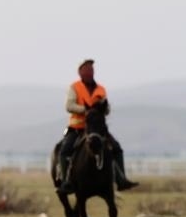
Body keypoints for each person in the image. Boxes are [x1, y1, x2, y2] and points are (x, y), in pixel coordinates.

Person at [57, 59, 139, 194]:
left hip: (97, 130)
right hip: (78, 129)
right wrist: (85, 110)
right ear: (80, 72)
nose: (90, 72)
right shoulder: (74, 87)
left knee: (116, 148)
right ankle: (67, 182)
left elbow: (107, 109)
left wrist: (103, 109)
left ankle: (121, 180)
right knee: (64, 151)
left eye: (91, 69)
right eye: (87, 69)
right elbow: (69, 106)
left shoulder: (101, 89)